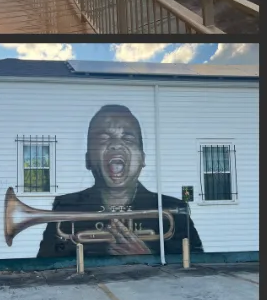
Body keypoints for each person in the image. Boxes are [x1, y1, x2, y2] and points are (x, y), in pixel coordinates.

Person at [35, 104, 203, 258]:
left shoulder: (176, 210)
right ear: (88, 160)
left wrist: (148, 257)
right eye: (103, 138)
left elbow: (197, 266)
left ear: (142, 158)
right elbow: (47, 264)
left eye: (128, 138)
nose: (116, 145)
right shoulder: (65, 207)